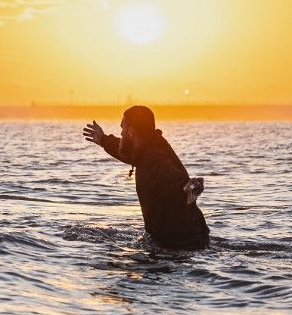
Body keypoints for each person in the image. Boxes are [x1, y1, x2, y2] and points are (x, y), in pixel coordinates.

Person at [83, 106, 209, 250]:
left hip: (180, 246)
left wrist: (191, 186)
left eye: (123, 128)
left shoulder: (155, 158)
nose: (121, 133)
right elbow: (124, 150)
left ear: (131, 131)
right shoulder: (145, 149)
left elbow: (182, 183)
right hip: (174, 242)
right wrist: (103, 139)